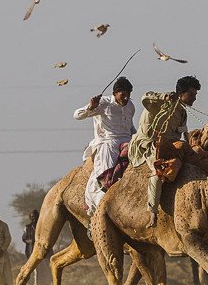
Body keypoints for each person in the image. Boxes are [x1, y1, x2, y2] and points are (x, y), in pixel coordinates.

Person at [128, 75, 199, 227]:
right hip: (149, 145)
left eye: (195, 95)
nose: (194, 98)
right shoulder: (162, 103)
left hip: (170, 146)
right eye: (191, 94)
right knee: (158, 172)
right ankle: (153, 212)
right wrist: (164, 97)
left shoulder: (182, 112)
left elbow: (183, 133)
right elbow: (144, 98)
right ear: (181, 93)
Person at [73, 76, 136, 216]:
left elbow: (130, 127)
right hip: (107, 143)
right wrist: (90, 107)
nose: (126, 98)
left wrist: (139, 138)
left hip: (128, 142)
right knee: (105, 179)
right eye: (123, 95)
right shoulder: (103, 103)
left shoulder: (131, 106)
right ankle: (98, 211)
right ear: (115, 93)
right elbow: (77, 115)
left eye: (128, 95)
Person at [21, 209, 51, 285]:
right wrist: (32, 242)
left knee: (45, 273)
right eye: (32, 217)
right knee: (34, 274)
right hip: (32, 253)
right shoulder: (28, 228)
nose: (34, 219)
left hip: (43, 254)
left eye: (35, 217)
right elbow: (24, 239)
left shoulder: (44, 227)